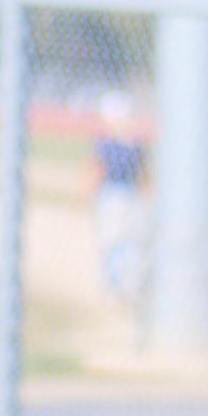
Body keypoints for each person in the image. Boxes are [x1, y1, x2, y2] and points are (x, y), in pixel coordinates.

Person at [88, 90, 150, 305]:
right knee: (131, 241)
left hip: (112, 195)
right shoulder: (136, 143)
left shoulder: (106, 143)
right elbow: (144, 175)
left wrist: (87, 194)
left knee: (111, 241)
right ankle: (129, 285)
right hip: (131, 195)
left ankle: (115, 286)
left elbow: (98, 170)